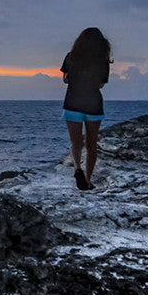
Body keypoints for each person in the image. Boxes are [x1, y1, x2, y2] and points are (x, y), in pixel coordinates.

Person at [61, 27, 112, 190]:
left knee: (75, 143)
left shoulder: (71, 57)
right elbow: (101, 84)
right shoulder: (102, 60)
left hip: (73, 103)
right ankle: (88, 181)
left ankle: (77, 169)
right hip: (93, 104)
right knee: (91, 144)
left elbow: (65, 79)